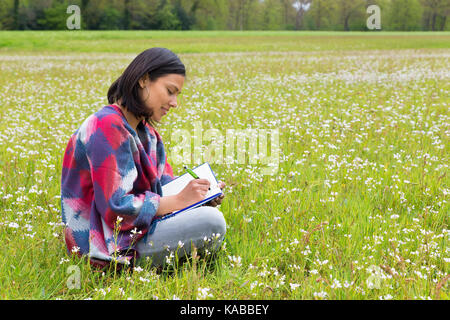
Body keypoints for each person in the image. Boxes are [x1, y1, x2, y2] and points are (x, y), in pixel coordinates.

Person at [60, 47, 226, 270]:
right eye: (170, 91)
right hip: (105, 247)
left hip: (136, 232)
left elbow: (163, 187)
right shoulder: (106, 125)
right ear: (144, 80)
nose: (174, 102)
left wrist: (197, 194)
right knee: (211, 223)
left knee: (208, 214)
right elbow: (116, 209)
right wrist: (180, 201)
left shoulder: (148, 134)